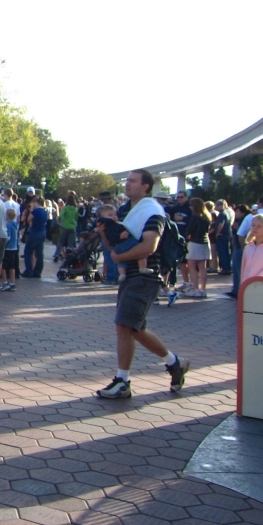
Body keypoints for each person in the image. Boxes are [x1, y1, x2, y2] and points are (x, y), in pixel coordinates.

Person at [96, 169, 188, 399]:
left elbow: (149, 246)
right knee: (133, 327)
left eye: (133, 181)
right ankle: (174, 363)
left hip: (146, 275)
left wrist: (119, 258)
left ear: (145, 187)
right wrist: (106, 235)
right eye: (127, 180)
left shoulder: (152, 211)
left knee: (124, 325)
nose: (127, 184)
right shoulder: (129, 212)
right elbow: (116, 249)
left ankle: (122, 380)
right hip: (133, 275)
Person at [182, 197, 212, 298]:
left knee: (192, 267)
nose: (190, 207)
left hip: (194, 242)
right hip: (205, 242)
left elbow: (189, 230)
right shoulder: (207, 216)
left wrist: (187, 235)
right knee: (202, 267)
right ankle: (203, 289)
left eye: (191, 205)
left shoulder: (195, 216)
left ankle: (195, 289)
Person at [22, 196, 48, 280]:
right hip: (42, 232)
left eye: (33, 203)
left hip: (35, 232)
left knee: (28, 251)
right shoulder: (44, 211)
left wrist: (31, 210)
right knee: (39, 252)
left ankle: (28, 270)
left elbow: (29, 219)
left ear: (36, 202)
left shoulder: (36, 211)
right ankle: (37, 271)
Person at [54, 191, 79, 261]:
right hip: (72, 227)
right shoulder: (76, 209)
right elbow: (76, 218)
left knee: (61, 241)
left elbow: (61, 216)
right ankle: (69, 256)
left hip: (65, 226)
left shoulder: (65, 208)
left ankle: (57, 254)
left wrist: (58, 220)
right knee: (70, 243)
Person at [2, 209, 19, 289]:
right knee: (12, 266)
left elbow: (7, 237)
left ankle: (5, 281)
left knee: (3, 266)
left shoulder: (8, 225)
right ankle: (12, 282)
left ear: (8, 215)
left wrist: (3, 244)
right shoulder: (15, 224)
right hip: (14, 247)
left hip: (8, 248)